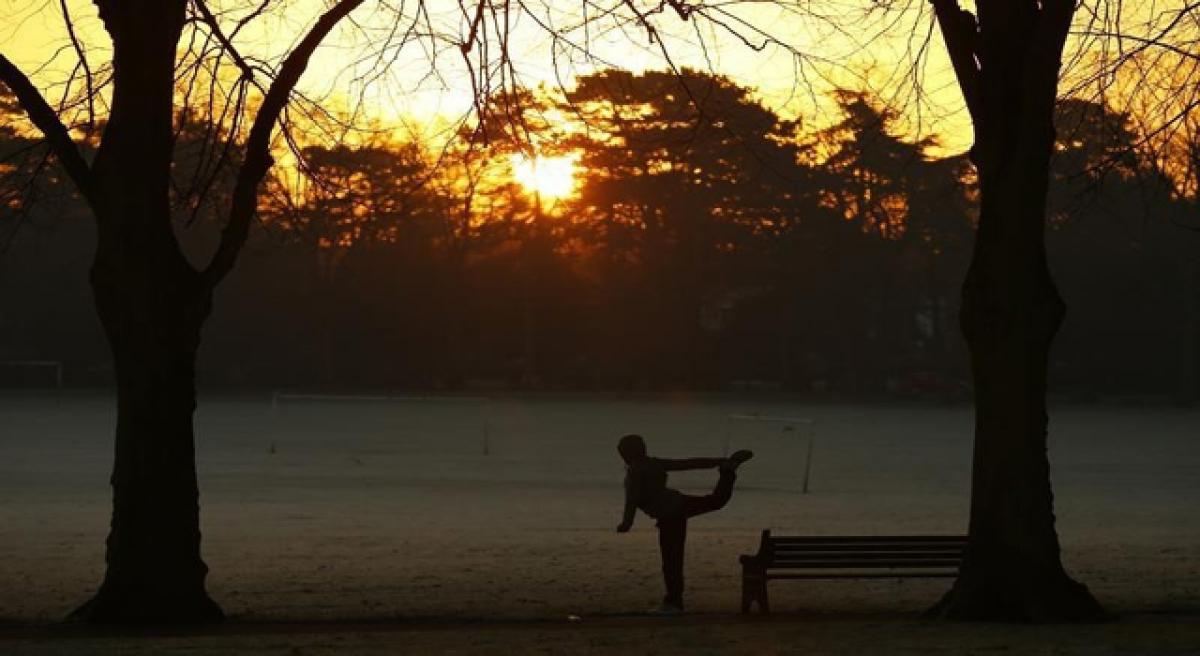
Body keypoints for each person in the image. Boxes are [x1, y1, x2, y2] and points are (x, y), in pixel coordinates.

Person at [615, 433, 753, 615]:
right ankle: (727, 470)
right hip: (676, 505)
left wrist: (626, 523)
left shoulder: (636, 470)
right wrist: (719, 461)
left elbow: (631, 500)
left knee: (671, 559)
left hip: (670, 514)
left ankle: (674, 601)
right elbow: (687, 463)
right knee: (714, 502)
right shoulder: (652, 464)